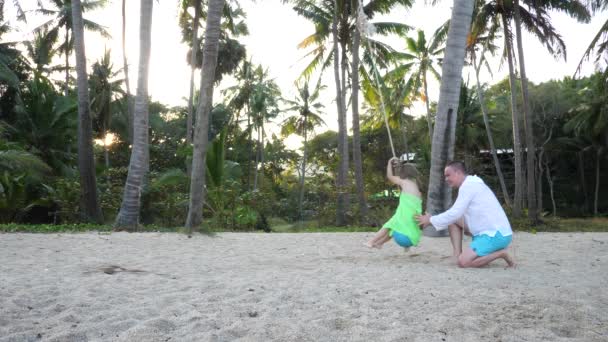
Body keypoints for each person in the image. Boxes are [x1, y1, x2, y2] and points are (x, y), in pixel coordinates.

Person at [415, 161, 514, 268]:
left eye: (448, 175)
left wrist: (430, 220)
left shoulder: (468, 186)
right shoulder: (471, 183)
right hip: (490, 231)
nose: (446, 179)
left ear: (458, 173)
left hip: (496, 234)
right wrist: (431, 220)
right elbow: (455, 216)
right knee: (454, 220)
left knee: (464, 262)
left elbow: (454, 213)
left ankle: (502, 253)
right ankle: (457, 255)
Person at [365, 157, 423, 249]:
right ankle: (380, 243)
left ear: (403, 173)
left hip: (404, 224)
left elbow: (390, 177)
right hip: (412, 234)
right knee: (394, 227)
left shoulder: (404, 182)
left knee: (388, 226)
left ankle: (371, 242)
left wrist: (389, 163)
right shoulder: (416, 186)